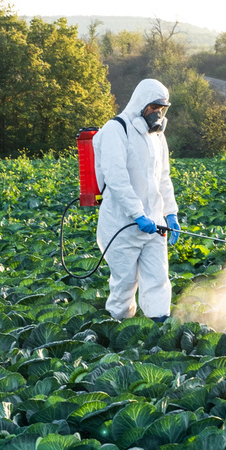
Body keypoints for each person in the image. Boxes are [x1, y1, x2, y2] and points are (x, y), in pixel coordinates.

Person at [93, 78, 180, 322]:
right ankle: (119, 327)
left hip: (154, 224)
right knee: (125, 284)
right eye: (153, 108)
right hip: (122, 225)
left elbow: (163, 178)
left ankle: (158, 325)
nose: (157, 114)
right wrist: (137, 214)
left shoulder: (157, 136)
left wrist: (170, 213)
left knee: (158, 279)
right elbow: (117, 179)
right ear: (141, 103)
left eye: (161, 109)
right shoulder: (115, 129)